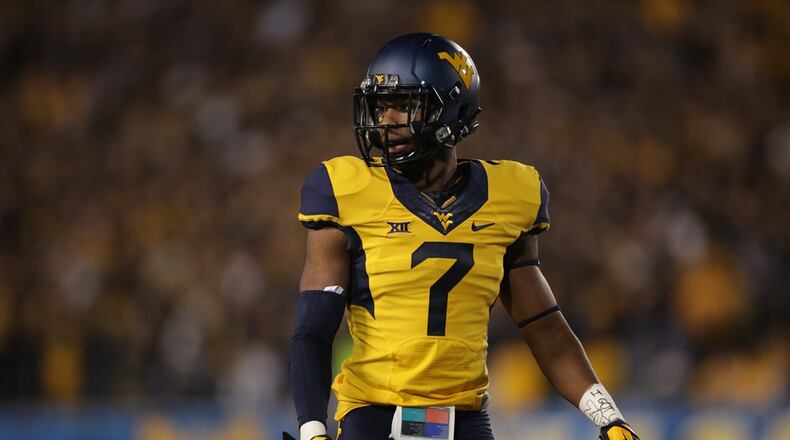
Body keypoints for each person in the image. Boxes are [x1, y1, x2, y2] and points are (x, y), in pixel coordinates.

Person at [289, 33, 640, 440]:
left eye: (403, 106)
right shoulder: (346, 189)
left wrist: (609, 418)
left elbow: (545, 329)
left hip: (467, 422)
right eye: (380, 105)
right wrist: (311, 430)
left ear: (451, 109)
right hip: (374, 419)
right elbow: (312, 330)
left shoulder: (510, 196)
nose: (385, 119)